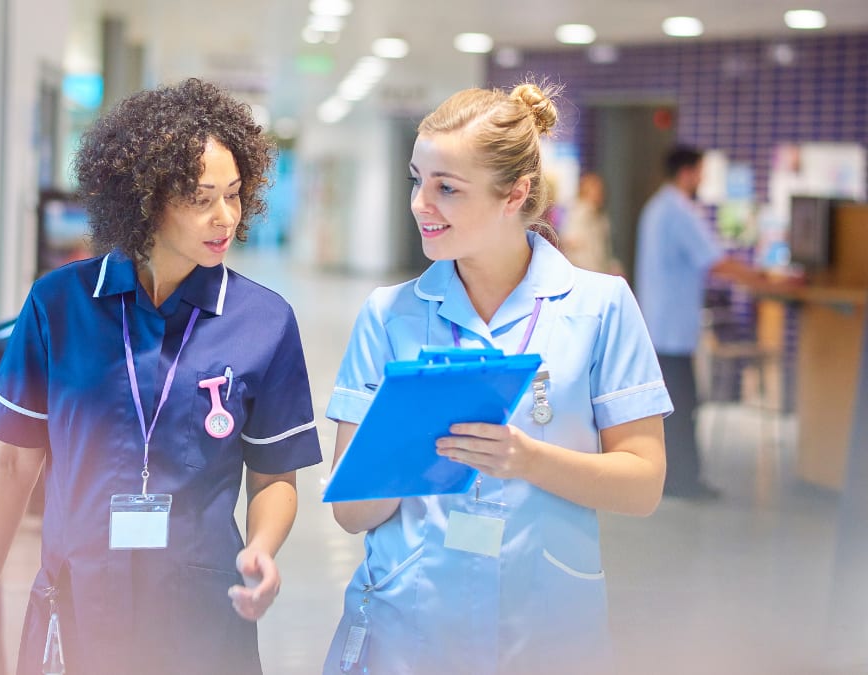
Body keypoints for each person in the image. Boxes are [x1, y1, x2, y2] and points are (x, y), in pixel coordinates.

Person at [0, 78, 323, 675]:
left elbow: (275, 471)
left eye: (233, 194)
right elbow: (13, 464)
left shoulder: (264, 321)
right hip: (76, 605)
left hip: (202, 613)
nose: (225, 217)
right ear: (145, 199)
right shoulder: (59, 305)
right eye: (201, 198)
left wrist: (262, 549)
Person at [323, 83, 672, 674]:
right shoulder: (389, 316)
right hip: (408, 624)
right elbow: (351, 513)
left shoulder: (600, 307)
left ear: (516, 193)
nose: (419, 203)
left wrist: (527, 460)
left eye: (447, 188)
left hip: (544, 630)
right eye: (417, 180)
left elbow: (642, 486)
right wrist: (405, 440)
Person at [634, 145, 785, 499]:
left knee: (674, 410)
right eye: (700, 172)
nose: (702, 179)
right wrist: (764, 280)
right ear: (688, 173)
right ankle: (682, 483)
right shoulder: (679, 211)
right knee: (683, 410)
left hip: (659, 326)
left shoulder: (657, 207)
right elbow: (715, 261)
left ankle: (673, 480)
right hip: (671, 330)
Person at [561, 171, 621, 275]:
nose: (600, 194)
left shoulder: (601, 218)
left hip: (600, 274)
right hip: (584, 275)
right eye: (595, 189)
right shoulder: (577, 214)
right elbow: (570, 243)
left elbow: (606, 251)